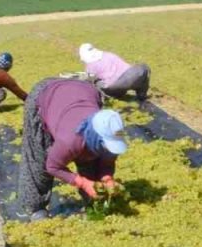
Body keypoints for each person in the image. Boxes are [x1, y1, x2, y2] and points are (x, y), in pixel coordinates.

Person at [19, 78, 128, 220]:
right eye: (106, 145)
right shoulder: (70, 140)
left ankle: (92, 201)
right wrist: (82, 182)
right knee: (39, 159)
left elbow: (108, 160)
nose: (109, 149)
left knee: (92, 161)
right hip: (45, 95)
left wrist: (107, 178)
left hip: (82, 91)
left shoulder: (112, 130)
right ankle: (36, 208)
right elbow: (53, 166)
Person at [77, 43, 151, 101]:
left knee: (97, 83)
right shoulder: (108, 54)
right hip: (133, 75)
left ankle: (113, 95)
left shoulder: (90, 65)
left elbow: (89, 82)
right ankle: (142, 96)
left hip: (114, 85)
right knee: (144, 72)